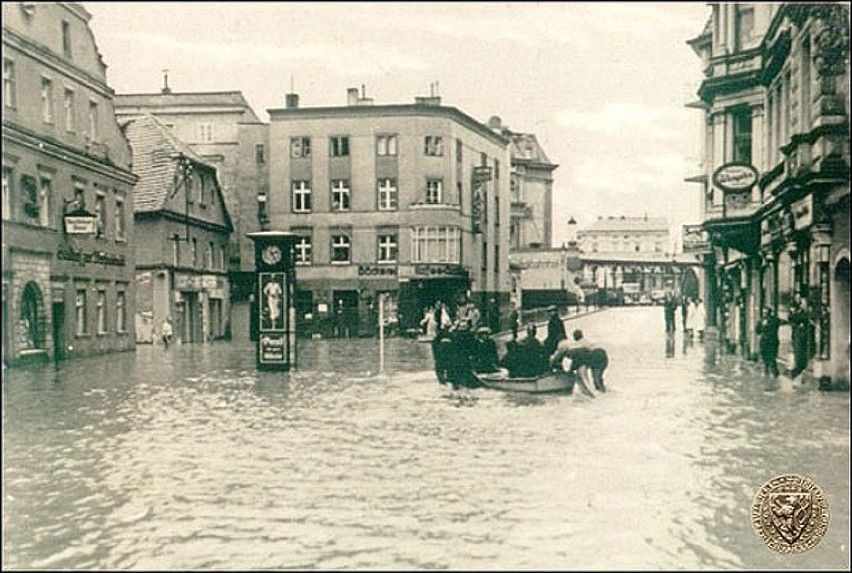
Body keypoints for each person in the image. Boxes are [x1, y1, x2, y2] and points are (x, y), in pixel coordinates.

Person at [789, 292, 813, 380]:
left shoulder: (807, 313)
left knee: (801, 358)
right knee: (799, 357)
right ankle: (796, 374)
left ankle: (796, 374)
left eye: (803, 302)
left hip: (805, 339)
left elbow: (799, 319)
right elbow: (792, 318)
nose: (801, 303)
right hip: (798, 338)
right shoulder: (798, 311)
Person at [755, 306, 781, 377]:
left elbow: (776, 325)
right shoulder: (761, 320)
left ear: (769, 313)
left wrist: (766, 325)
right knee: (764, 358)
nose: (765, 315)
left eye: (766, 313)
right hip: (764, 342)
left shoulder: (774, 320)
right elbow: (757, 331)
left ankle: (775, 373)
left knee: (772, 358)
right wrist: (761, 325)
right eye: (763, 313)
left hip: (772, 342)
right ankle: (766, 372)